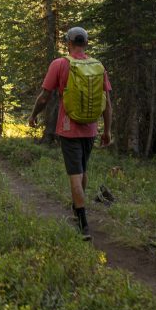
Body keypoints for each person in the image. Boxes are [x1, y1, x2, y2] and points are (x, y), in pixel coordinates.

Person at [29, 27, 113, 240]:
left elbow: (44, 97)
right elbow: (108, 104)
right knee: (82, 171)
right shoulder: (98, 66)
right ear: (86, 43)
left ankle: (83, 225)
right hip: (91, 129)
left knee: (75, 176)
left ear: (68, 43)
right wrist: (107, 130)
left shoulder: (59, 64)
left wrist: (33, 115)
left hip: (68, 128)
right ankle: (78, 210)